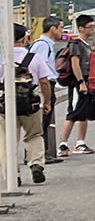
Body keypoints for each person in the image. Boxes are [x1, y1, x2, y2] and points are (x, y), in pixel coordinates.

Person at [11, 23, 55, 185]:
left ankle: (12, 174)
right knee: (34, 135)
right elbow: (44, 82)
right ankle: (36, 163)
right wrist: (47, 102)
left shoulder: (2, 58)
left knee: (7, 140)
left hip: (5, 106)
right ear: (24, 38)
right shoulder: (33, 58)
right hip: (31, 104)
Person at [59, 14, 95, 157]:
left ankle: (80, 142)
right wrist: (81, 82)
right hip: (79, 82)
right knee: (73, 113)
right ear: (81, 28)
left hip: (87, 82)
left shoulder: (87, 45)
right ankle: (63, 144)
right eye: (90, 27)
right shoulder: (76, 44)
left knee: (84, 113)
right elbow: (74, 63)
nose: (92, 29)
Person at [31, 17, 61, 164]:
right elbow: (39, 68)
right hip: (44, 85)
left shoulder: (46, 44)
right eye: (60, 27)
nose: (62, 30)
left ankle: (43, 153)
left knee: (45, 121)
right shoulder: (43, 45)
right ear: (52, 28)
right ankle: (39, 154)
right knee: (42, 122)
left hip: (47, 83)